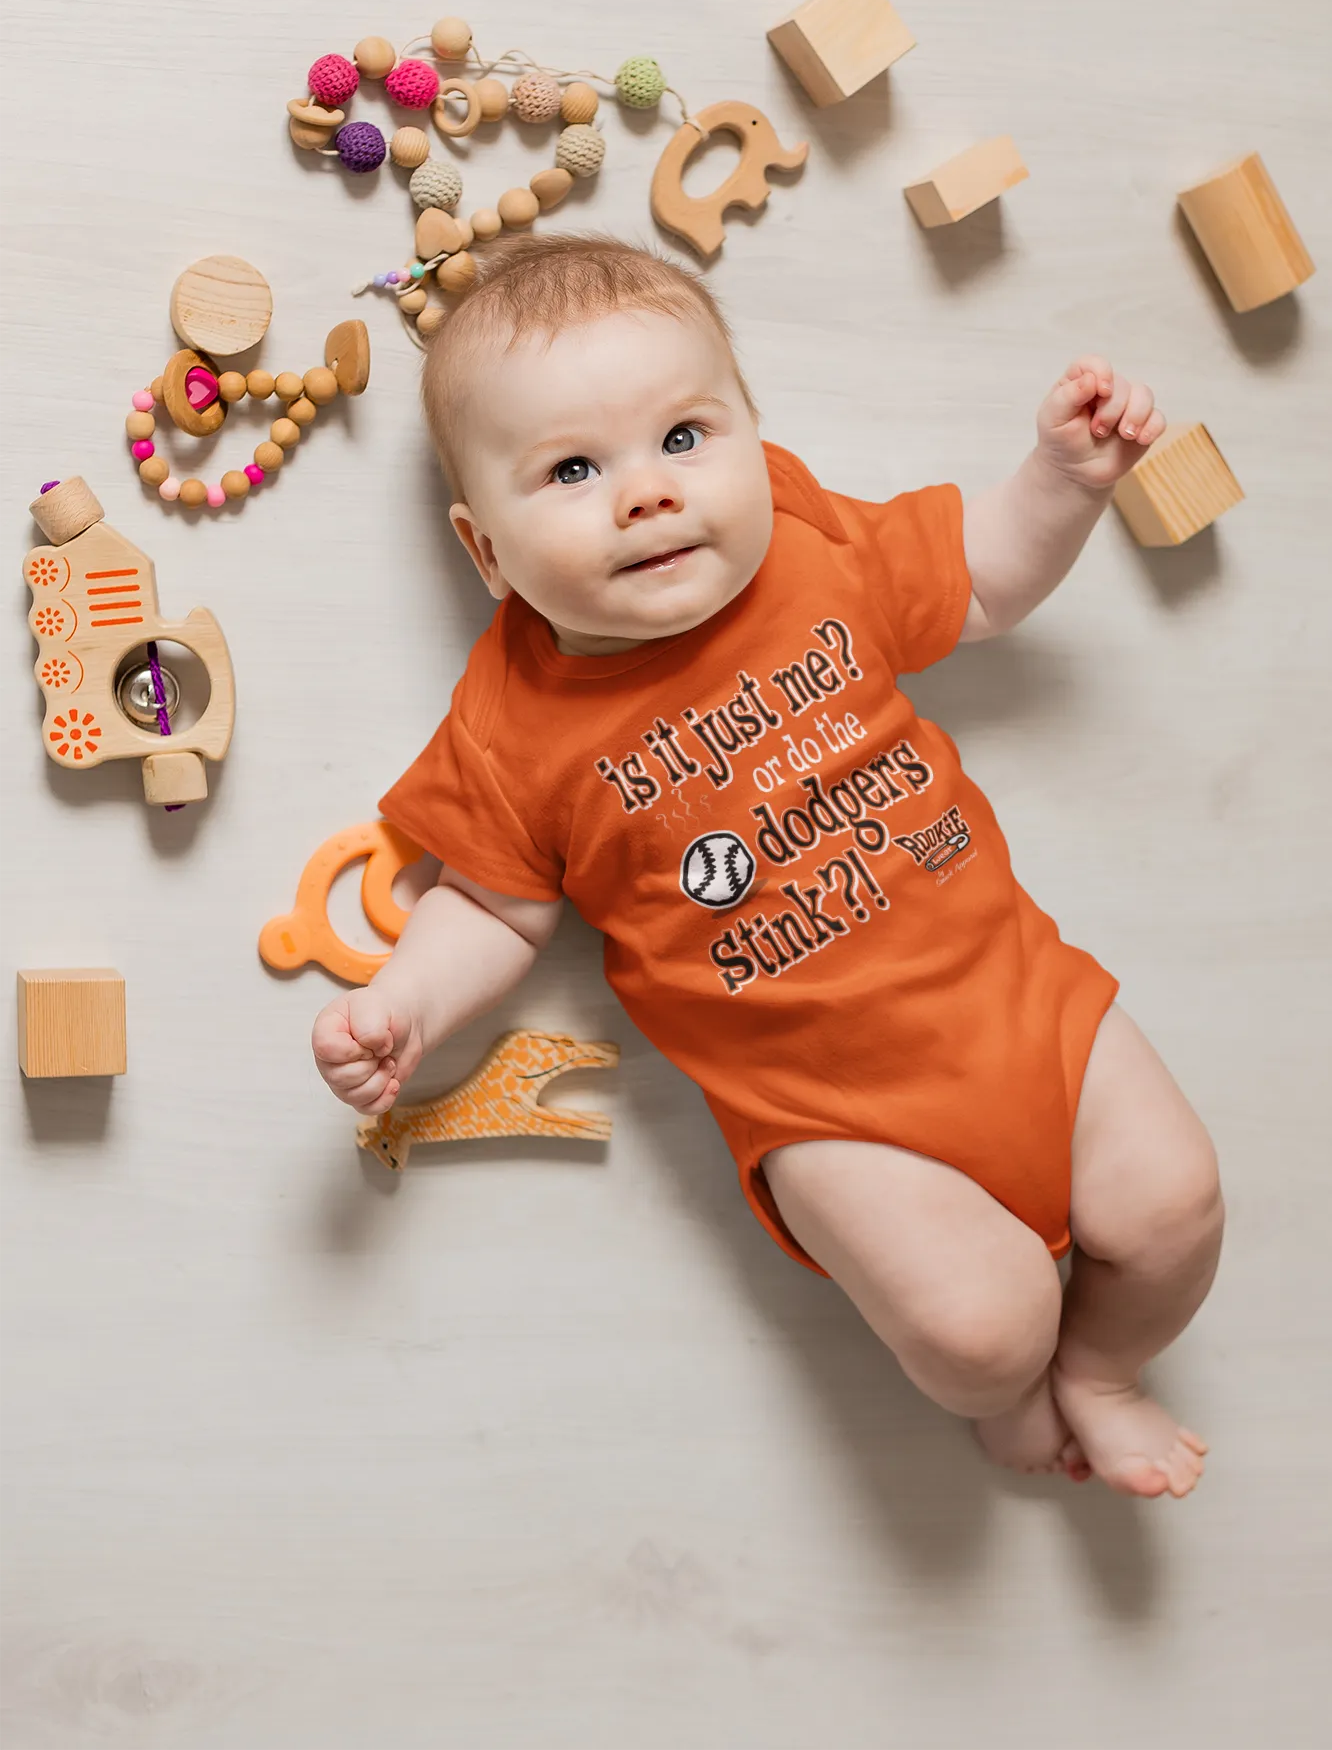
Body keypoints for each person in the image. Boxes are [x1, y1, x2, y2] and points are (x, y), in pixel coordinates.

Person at [312, 235, 1223, 1499]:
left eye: (685, 437)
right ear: (486, 554)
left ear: (752, 433)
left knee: (1177, 1206)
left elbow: (985, 583)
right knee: (976, 1327)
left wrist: (1064, 479)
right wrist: (403, 1004)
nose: (646, 492)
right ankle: (1016, 1384)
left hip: (1023, 1004)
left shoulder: (808, 545)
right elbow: (495, 908)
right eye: (573, 469)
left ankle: (1106, 1369)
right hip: (831, 1112)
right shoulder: (512, 716)